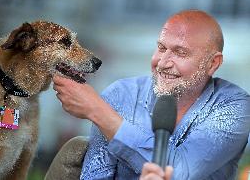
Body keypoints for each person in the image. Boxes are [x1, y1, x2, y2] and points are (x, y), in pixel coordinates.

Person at [53, 9, 250, 179]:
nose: (163, 63)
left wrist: (98, 111)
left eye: (180, 52)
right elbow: (95, 176)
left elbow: (180, 173)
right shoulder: (120, 95)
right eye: (161, 48)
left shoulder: (234, 106)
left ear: (212, 63)